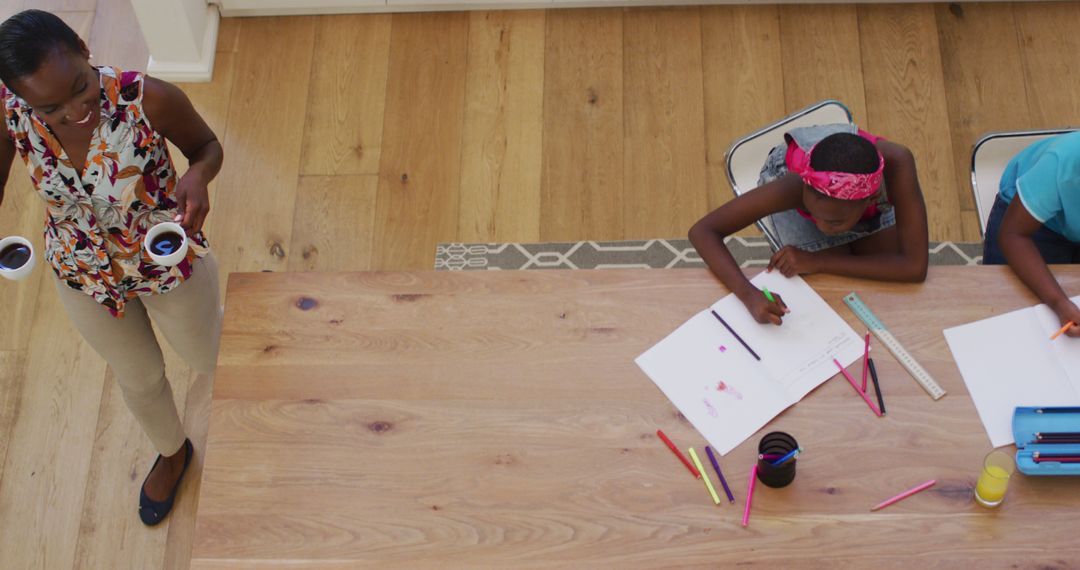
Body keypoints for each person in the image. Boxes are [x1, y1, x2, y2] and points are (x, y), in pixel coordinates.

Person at [0, 10, 223, 525]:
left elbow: (207, 147)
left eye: (81, 87)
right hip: (81, 274)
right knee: (139, 377)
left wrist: (198, 177)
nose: (75, 110)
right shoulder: (11, 115)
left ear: (83, 47)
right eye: (49, 107)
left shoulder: (149, 98)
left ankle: (224, 316)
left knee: (209, 355)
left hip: (165, 260)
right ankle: (173, 452)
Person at [689, 124, 929, 325]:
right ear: (805, 190)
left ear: (872, 199)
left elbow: (914, 268)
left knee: (876, 281)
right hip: (794, 173)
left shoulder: (898, 164)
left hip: (859, 192)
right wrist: (748, 294)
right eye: (815, 215)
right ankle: (825, 219)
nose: (822, 227)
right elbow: (703, 231)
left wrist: (819, 261)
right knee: (826, 293)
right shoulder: (792, 187)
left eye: (834, 221)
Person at [982, 130, 1080, 337]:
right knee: (1005, 310)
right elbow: (1012, 236)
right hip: (1028, 224)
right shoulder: (1062, 162)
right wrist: (1059, 303)